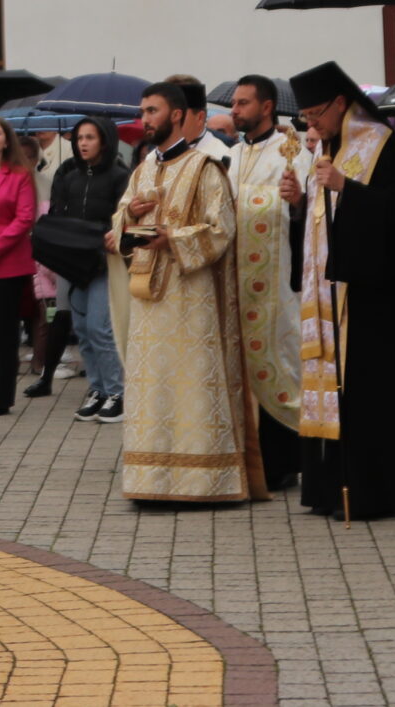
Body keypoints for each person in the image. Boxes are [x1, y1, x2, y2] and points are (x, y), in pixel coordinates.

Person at [285, 61, 395, 521]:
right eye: (307, 118)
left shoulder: (381, 143)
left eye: (316, 114)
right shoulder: (330, 146)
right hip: (328, 296)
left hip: (371, 297)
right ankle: (329, 486)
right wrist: (300, 203)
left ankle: (371, 488)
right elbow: (320, 226)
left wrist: (347, 189)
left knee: (368, 393)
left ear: (340, 102)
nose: (311, 125)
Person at [109, 80, 255, 500]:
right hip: (149, 302)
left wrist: (172, 237)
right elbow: (118, 224)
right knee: (152, 392)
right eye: (142, 112)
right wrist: (128, 219)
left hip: (192, 304)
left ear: (176, 115)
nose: (145, 120)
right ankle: (149, 481)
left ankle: (203, 480)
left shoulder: (206, 167)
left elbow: (222, 229)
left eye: (152, 111)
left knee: (189, 389)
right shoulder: (143, 169)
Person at [233, 76, 312, 483]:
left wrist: (298, 201)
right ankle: (250, 462)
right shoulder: (231, 156)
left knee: (282, 360)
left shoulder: (293, 151)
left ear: (266, 107)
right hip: (237, 286)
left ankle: (283, 465)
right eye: (234, 103)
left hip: (278, 284)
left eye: (244, 103)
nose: (235, 110)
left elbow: (311, 211)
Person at [40, 117, 128, 422]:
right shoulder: (69, 175)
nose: (83, 143)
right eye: (79, 138)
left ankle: (117, 392)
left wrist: (104, 234)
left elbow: (121, 218)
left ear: (104, 140)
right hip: (71, 262)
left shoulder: (120, 176)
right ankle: (98, 389)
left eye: (90, 137)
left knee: (99, 328)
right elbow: (58, 213)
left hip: (103, 263)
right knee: (81, 330)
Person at [0, 119, 37, 417]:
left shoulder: (19, 174)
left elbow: (24, 218)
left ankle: (2, 397)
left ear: (6, 141)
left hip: (8, 265)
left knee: (3, 333)